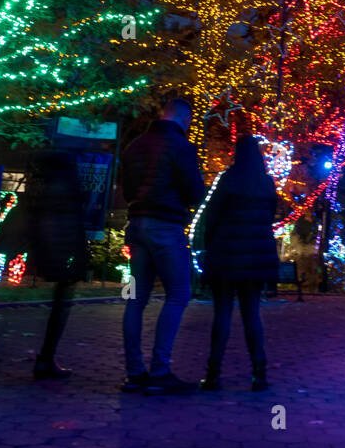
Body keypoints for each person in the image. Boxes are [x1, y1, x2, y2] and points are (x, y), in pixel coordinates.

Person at [119, 98, 206, 395]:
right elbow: (195, 192)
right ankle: (159, 370)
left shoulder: (135, 145)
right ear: (184, 120)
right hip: (166, 226)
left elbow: (125, 187)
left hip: (137, 225)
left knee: (136, 298)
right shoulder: (182, 148)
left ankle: (134, 373)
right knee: (179, 294)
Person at [200, 134, 280, 392]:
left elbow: (210, 217)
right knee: (252, 315)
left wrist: (209, 246)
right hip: (256, 257)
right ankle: (259, 373)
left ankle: (213, 374)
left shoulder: (227, 179)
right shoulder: (266, 182)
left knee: (222, 314)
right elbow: (270, 216)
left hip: (226, 256)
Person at [26, 148, 88, 379]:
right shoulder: (65, 187)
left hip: (57, 253)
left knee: (58, 308)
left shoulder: (44, 186)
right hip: (65, 255)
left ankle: (46, 358)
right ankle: (46, 358)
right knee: (60, 308)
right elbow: (68, 226)